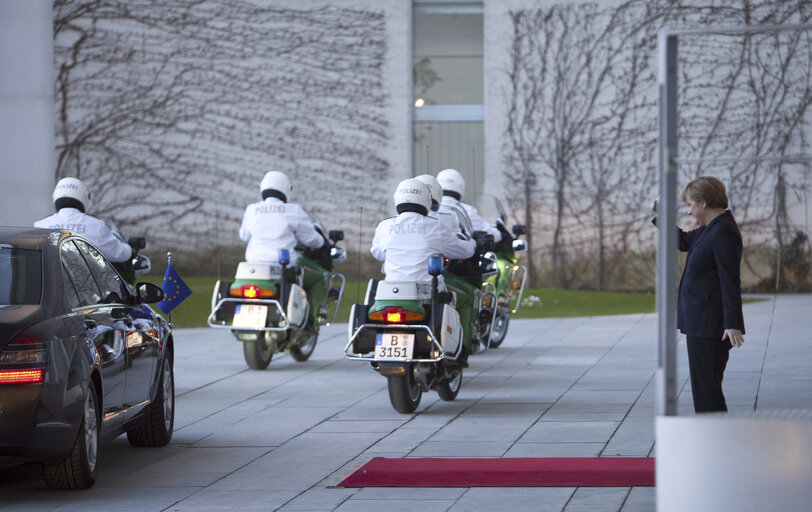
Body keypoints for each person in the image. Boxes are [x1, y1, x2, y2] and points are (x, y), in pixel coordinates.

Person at [652, 176, 745, 413]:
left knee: (707, 391)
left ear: (703, 203)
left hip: (710, 326)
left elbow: (730, 280)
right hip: (701, 323)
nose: (690, 211)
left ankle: (715, 443)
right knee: (706, 389)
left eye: (691, 204)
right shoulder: (710, 228)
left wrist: (732, 323)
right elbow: (683, 241)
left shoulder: (723, 231)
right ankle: (713, 442)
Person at [239, 170, 328, 328]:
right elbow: (310, 238)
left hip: (253, 269)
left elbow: (244, 236)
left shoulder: (252, 209)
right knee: (318, 278)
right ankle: (312, 322)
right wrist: (321, 243)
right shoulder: (292, 210)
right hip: (282, 269)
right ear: (286, 189)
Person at [34, 177, 132, 263]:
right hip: (83, 282)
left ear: (55, 195)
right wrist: (130, 248)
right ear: (85, 196)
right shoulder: (96, 226)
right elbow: (120, 254)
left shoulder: (39, 226)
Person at [436, 168, 502, 243]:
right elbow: (494, 235)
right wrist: (500, 233)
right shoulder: (466, 210)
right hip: (460, 252)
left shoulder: (428, 209)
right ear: (460, 186)